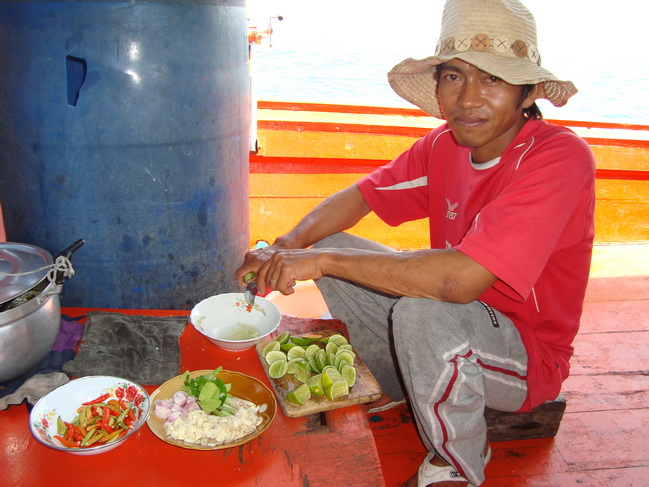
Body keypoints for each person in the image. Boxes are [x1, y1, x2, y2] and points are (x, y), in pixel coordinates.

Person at [236, 0, 595, 485]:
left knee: (420, 309)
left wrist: (318, 260)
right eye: (454, 76)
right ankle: (393, 383)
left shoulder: (558, 157)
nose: (468, 98)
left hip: (525, 354)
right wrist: (285, 246)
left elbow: (455, 282)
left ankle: (455, 467)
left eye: (492, 78)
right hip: (453, 321)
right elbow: (361, 196)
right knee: (341, 243)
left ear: (527, 88)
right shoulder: (443, 146)